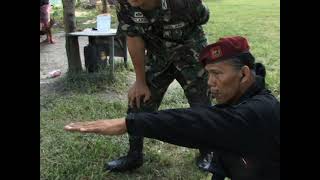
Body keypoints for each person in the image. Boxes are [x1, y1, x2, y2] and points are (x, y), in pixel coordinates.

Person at [65, 36, 280, 180]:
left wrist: (129, 124)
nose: (209, 82)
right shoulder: (243, 99)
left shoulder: (259, 111)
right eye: (208, 74)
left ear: (243, 74)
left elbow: (197, 123)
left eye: (217, 74)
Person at [102, 0, 213, 172]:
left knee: (202, 105)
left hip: (191, 55)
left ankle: (207, 152)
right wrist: (139, 81)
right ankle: (134, 156)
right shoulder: (125, 4)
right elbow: (133, 38)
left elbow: (203, 17)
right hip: (158, 58)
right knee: (138, 101)